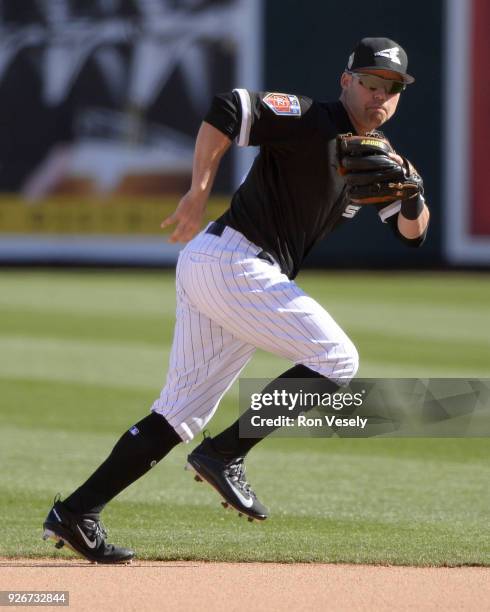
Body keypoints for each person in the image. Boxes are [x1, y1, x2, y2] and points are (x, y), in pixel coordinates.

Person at [42, 37, 430, 564]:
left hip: (222, 269)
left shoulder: (379, 161)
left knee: (178, 415)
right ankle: (225, 454)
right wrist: (199, 189)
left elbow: (412, 236)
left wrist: (413, 195)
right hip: (236, 261)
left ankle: (77, 513)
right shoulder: (310, 118)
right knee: (336, 358)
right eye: (368, 82)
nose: (378, 96)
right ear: (346, 81)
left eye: (390, 89)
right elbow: (229, 107)